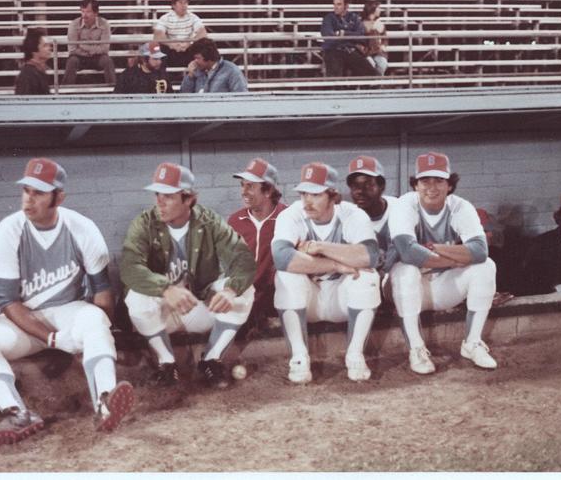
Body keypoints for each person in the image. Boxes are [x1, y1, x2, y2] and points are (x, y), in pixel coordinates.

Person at [0, 158, 133, 446]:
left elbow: (102, 290)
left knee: (95, 318)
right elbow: (8, 303)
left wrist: (97, 337)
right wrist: (54, 340)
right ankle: (17, 413)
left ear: (59, 197)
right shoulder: (8, 230)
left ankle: (105, 401)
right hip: (25, 321)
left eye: (39, 193)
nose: (29, 200)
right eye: (26, 191)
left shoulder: (82, 227)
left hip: (71, 312)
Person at [121, 162, 256, 389]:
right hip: (162, 312)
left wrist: (231, 290)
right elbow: (129, 267)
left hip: (197, 306)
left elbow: (244, 260)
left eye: (168, 196)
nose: (159, 202)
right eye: (157, 194)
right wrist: (165, 288)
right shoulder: (145, 223)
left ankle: (211, 359)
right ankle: (167, 364)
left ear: (189, 199)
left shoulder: (209, 222)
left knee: (244, 291)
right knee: (135, 296)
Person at [388, 152, 497, 375]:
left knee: (486, 267)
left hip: (439, 286)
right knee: (406, 271)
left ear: (449, 185)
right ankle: (416, 349)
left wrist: (435, 249)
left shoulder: (460, 206)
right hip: (403, 289)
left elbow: (480, 251)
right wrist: (454, 258)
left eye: (439, 180)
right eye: (425, 181)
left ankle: (472, 343)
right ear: (415, 185)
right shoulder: (404, 205)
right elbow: (407, 252)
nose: (432, 187)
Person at [271, 162, 381, 384]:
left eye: (315, 194)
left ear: (333, 196)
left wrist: (320, 248)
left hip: (342, 298)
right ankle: (299, 358)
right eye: (303, 193)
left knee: (368, 276)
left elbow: (370, 255)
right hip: (308, 299)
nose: (307, 201)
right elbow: (282, 257)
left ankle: (355, 355)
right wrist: (336, 264)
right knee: (285, 275)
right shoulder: (291, 215)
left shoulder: (353, 215)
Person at [227, 158, 287, 336]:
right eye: (242, 185)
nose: (243, 192)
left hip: (275, 297)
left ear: (268, 191)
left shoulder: (287, 216)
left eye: (250, 186)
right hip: (245, 295)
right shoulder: (235, 220)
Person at [320, 0, 376, 77]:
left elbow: (362, 37)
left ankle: (363, 89)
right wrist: (351, 38)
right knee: (335, 79)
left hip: (350, 51)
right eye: (334, 4)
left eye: (339, 4)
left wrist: (344, 33)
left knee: (372, 74)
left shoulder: (354, 17)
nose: (335, 7)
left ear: (346, 6)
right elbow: (329, 38)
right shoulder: (328, 18)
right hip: (334, 51)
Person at [63, 0, 116, 86]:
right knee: (72, 61)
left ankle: (114, 92)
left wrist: (83, 46)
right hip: (79, 58)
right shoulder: (74, 24)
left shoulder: (104, 24)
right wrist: (92, 50)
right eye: (82, 11)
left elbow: (105, 48)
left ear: (96, 13)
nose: (84, 15)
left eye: (88, 12)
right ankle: (65, 92)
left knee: (107, 61)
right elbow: (72, 49)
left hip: (97, 58)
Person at [153, 0, 208, 69]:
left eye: (185, 2)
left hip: (188, 49)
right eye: (180, 2)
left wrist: (189, 42)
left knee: (204, 45)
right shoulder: (165, 18)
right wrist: (171, 44)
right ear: (174, 5)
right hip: (171, 50)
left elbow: (203, 33)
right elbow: (157, 35)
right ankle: (163, 78)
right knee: (158, 47)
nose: (184, 5)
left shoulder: (193, 17)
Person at [179, 37, 248, 93]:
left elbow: (241, 96)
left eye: (197, 58)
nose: (195, 61)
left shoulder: (231, 71)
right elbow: (184, 96)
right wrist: (190, 76)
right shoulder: (196, 71)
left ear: (208, 57)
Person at [15, 27, 51, 95]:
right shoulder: (27, 76)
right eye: (45, 46)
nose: (49, 48)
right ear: (34, 51)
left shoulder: (39, 71)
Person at [359, 1, 388, 76]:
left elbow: (385, 38)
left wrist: (383, 45)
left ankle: (376, 84)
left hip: (378, 52)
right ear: (372, 9)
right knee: (370, 64)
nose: (380, 10)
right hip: (365, 53)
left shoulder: (380, 23)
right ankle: (370, 84)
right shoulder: (361, 24)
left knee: (382, 63)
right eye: (378, 8)